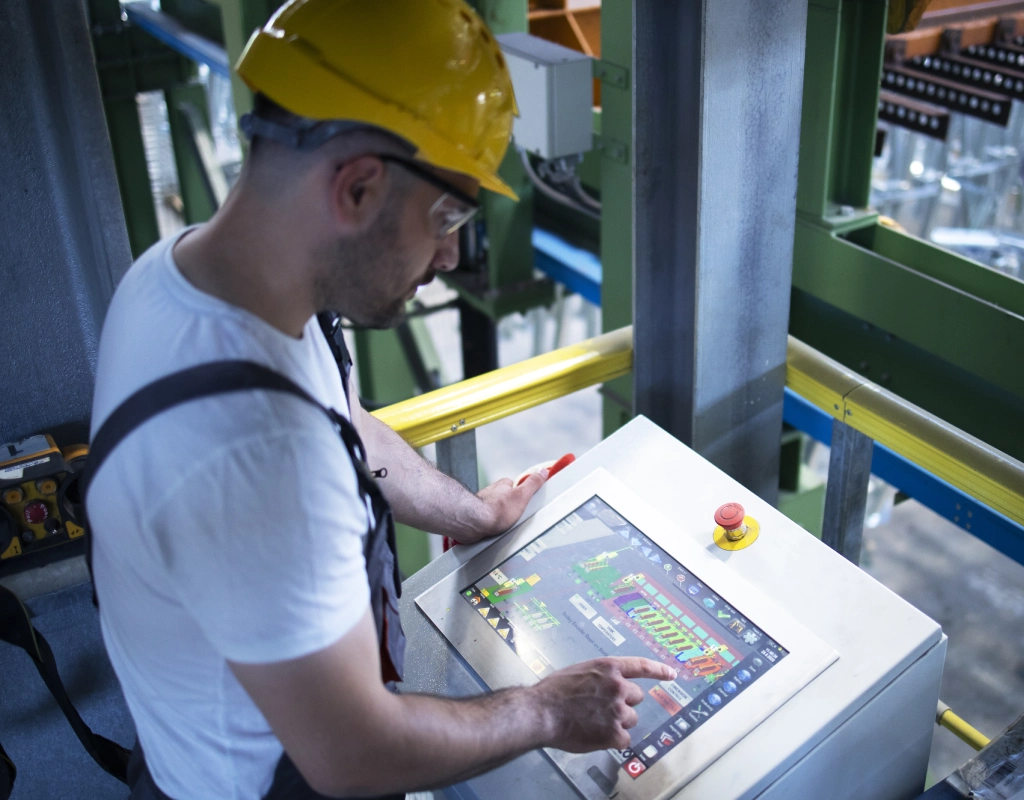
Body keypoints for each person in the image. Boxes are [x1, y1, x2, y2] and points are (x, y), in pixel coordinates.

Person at [86, 1, 673, 797]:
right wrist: (544, 711)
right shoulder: (255, 456)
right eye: (448, 213)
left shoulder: (182, 279)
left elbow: (346, 426)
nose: (453, 252)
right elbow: (354, 755)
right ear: (359, 187)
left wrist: (475, 516)